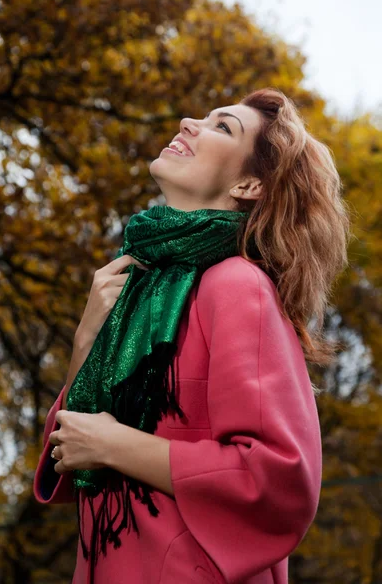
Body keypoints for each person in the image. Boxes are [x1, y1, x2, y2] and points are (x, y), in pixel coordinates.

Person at [33, 87, 351, 584]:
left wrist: (116, 445)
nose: (187, 122)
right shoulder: (138, 284)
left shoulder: (236, 286)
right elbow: (71, 452)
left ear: (250, 184)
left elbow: (278, 478)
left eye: (222, 127)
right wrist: (85, 341)